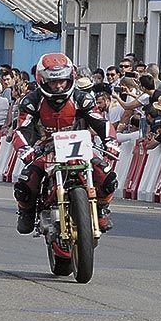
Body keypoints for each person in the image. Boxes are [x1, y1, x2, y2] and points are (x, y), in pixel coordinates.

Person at [11, 52, 117, 234]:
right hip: (46, 148)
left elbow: (100, 121)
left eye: (62, 80)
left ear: (70, 78)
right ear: (43, 81)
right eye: (53, 82)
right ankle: (26, 212)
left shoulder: (82, 98)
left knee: (107, 176)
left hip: (80, 147)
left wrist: (110, 141)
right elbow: (21, 130)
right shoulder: (31, 101)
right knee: (25, 184)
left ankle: (101, 209)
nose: (59, 86)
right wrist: (26, 149)